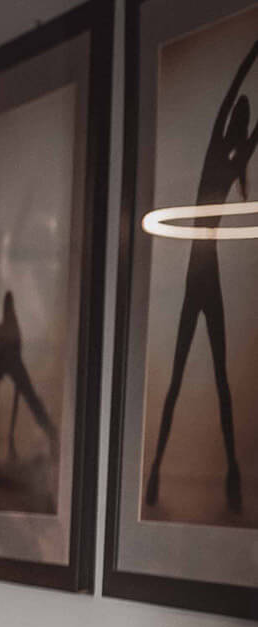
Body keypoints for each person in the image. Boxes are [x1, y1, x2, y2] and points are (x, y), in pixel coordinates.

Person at [142, 36, 257, 516]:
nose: (234, 122)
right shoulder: (224, 156)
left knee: (219, 378)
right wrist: (252, 50)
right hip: (197, 273)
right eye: (235, 119)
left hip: (202, 272)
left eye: (238, 120)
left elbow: (250, 126)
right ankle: (154, 473)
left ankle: (230, 472)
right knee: (181, 380)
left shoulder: (233, 161)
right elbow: (233, 92)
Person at [0, 288, 56, 470]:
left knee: (32, 399)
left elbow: (6, 347)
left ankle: (50, 432)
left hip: (14, 365)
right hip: (7, 364)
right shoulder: (3, 329)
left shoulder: (10, 329)